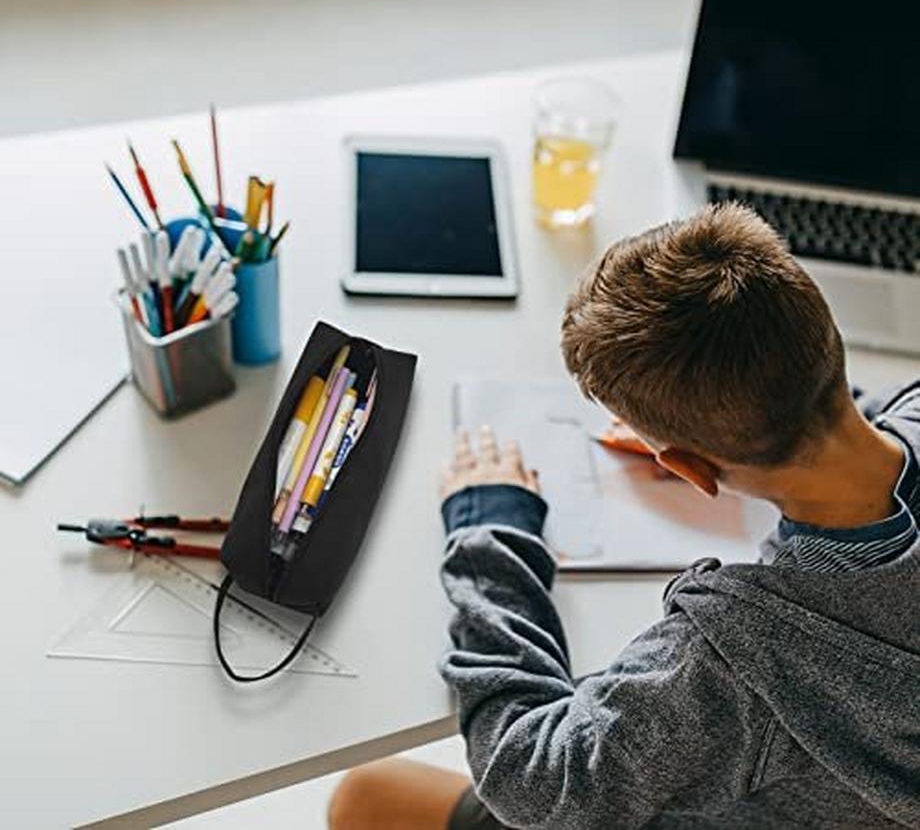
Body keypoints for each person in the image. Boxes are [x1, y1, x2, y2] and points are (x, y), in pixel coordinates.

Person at [329, 203, 920, 829]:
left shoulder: (733, 666)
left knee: (366, 795)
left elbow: (533, 778)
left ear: (691, 472)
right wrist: (725, 430)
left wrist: (489, 531)